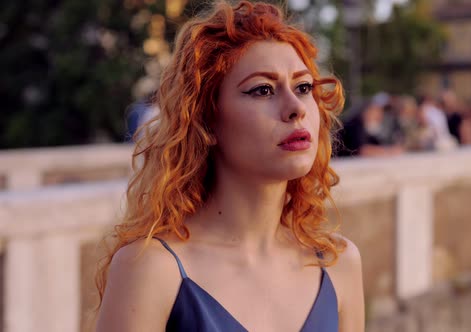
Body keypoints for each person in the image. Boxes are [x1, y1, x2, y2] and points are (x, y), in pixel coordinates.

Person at [95, 2, 364, 331]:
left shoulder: (340, 264)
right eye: (262, 90)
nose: (296, 108)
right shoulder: (150, 269)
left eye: (303, 87)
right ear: (206, 122)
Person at [337, 93, 404, 157]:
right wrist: (389, 151)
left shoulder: (366, 126)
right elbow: (363, 150)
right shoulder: (354, 125)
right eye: (377, 112)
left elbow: (375, 143)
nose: (380, 117)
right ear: (367, 111)